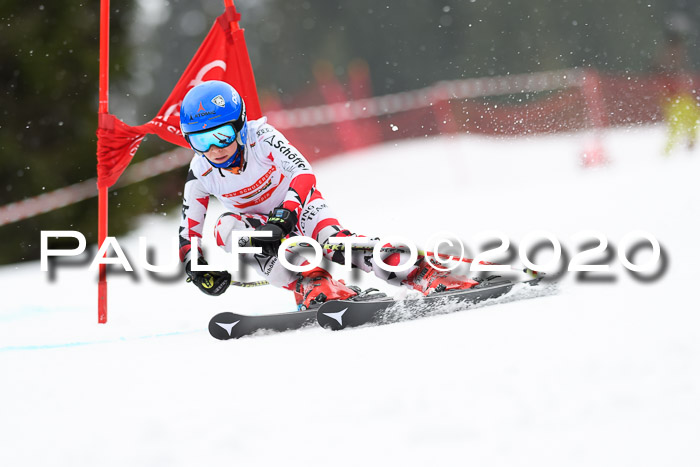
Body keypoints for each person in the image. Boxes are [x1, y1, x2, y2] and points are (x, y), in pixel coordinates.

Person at [178, 80, 477, 309]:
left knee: (337, 245)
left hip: (299, 206)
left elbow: (303, 173)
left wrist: (286, 213)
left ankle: (422, 273)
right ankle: (313, 284)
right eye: (200, 140)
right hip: (259, 227)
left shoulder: (262, 138)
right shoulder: (200, 171)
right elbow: (188, 231)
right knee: (227, 228)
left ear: (241, 126)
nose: (214, 149)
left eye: (222, 135)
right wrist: (196, 266)